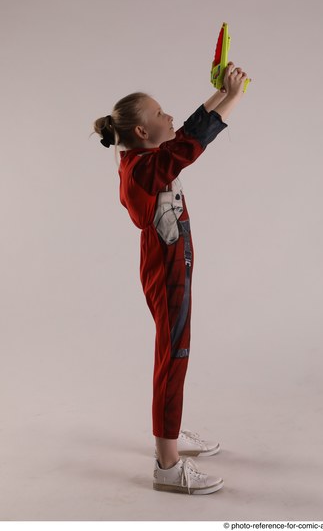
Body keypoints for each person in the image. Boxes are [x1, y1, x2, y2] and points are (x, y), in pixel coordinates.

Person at [94, 62, 249, 494]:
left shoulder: (142, 158)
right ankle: (167, 463)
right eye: (160, 113)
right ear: (142, 132)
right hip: (167, 274)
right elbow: (191, 144)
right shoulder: (146, 167)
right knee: (173, 357)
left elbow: (182, 137)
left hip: (169, 267)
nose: (169, 117)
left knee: (173, 354)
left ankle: (170, 433)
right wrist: (235, 97)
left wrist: (218, 93)